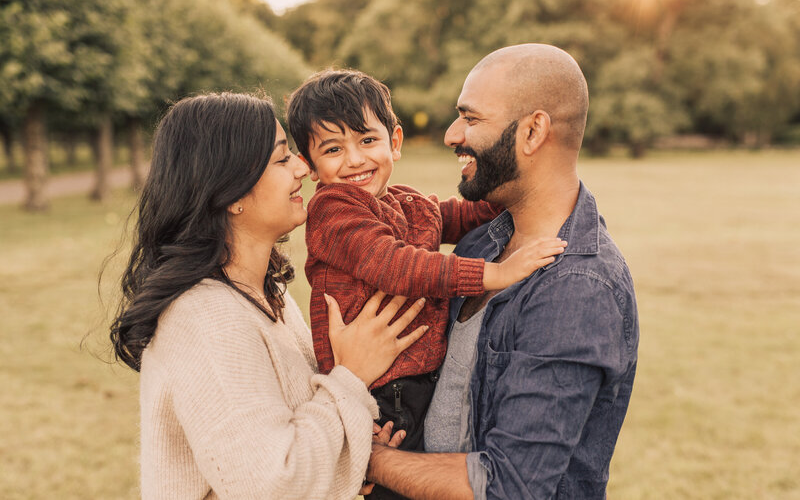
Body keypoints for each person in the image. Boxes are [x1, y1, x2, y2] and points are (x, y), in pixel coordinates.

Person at [108, 92, 430, 499]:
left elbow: (292, 430)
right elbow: (273, 485)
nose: (302, 167)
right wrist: (352, 376)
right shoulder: (204, 317)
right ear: (231, 192)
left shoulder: (267, 296)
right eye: (282, 159)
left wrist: (357, 448)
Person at [366, 44, 639, 499]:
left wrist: (370, 458)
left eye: (471, 119)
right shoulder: (482, 243)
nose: (453, 134)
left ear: (533, 132)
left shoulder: (577, 288)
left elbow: (509, 486)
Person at [286, 70, 566, 499]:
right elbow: (398, 265)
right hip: (381, 393)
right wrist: (495, 274)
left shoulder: (405, 201)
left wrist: (523, 190)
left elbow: (458, 214)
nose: (355, 159)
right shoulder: (333, 210)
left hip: (414, 382)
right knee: (398, 483)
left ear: (394, 141)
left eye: (366, 141)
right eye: (332, 149)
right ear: (307, 162)